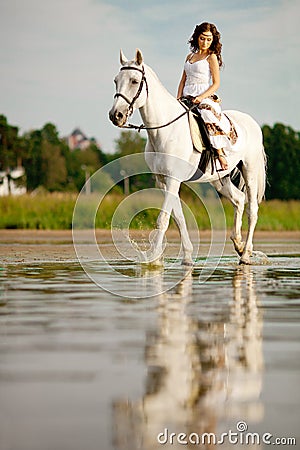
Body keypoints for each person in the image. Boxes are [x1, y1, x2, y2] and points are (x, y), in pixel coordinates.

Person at [177, 22, 234, 171]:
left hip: (203, 95)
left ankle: (220, 153)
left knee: (207, 115)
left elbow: (216, 83)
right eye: (202, 38)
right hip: (186, 95)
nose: (205, 42)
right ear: (197, 38)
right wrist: (178, 97)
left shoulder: (211, 57)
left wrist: (201, 97)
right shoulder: (189, 56)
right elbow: (183, 80)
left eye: (209, 39)